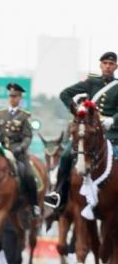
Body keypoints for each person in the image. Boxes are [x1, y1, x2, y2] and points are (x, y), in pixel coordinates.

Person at [45, 51, 118, 210]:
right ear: (100, 65)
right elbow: (65, 94)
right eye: (105, 63)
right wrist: (77, 110)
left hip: (111, 132)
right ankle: (58, 193)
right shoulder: (92, 82)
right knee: (65, 156)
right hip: (90, 129)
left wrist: (113, 120)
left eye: (111, 64)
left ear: (116, 66)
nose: (107, 66)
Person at [0, 83, 40, 217]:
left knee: (29, 175)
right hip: (1, 150)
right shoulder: (0, 114)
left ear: (20, 98)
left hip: (17, 152)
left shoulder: (24, 116)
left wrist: (21, 148)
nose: (13, 99)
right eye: (11, 96)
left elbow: (28, 136)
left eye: (16, 96)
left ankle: (33, 204)